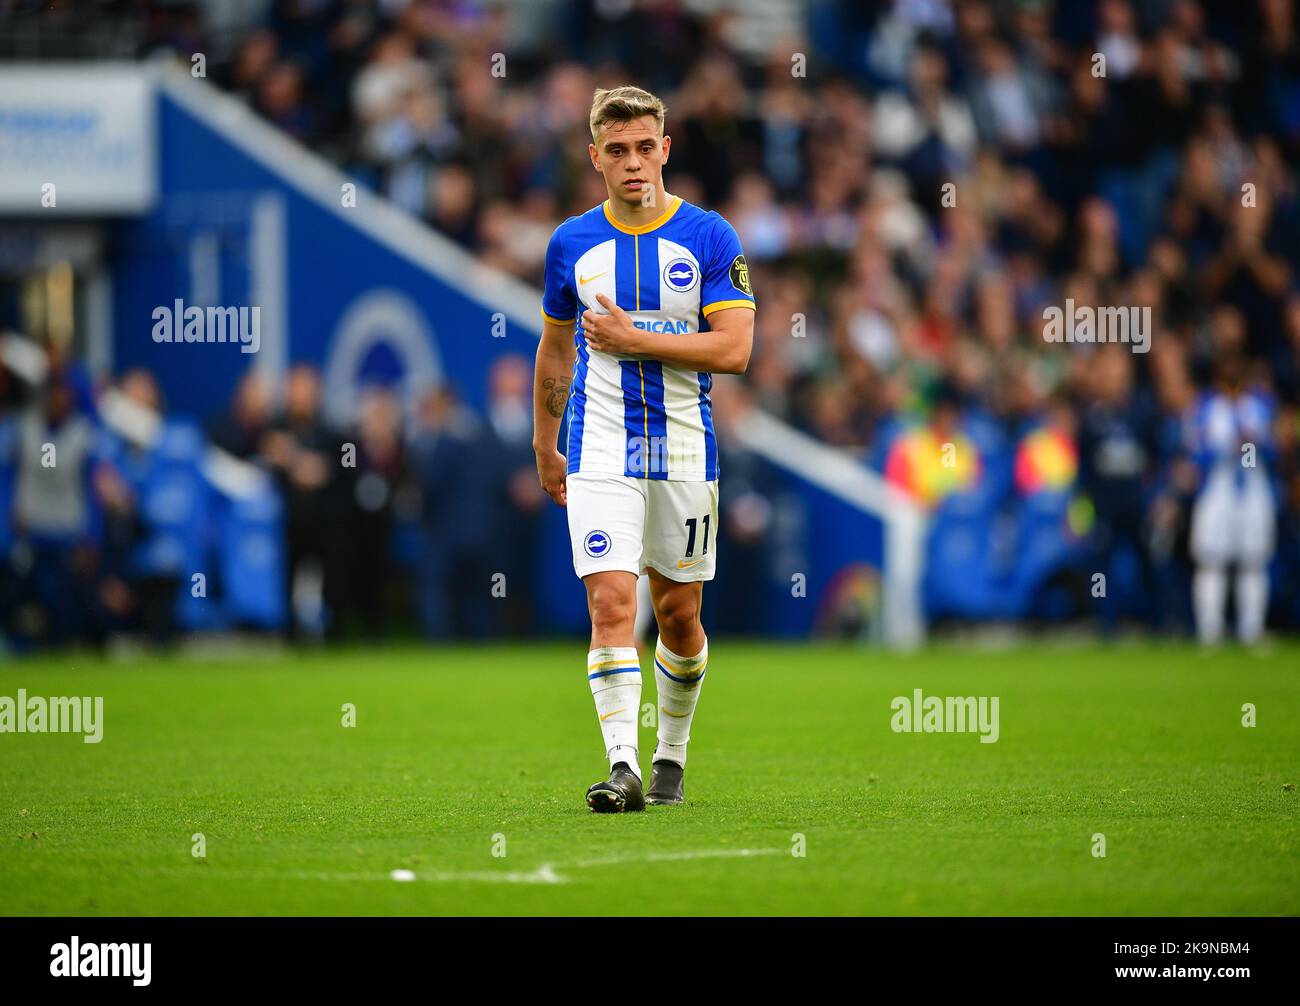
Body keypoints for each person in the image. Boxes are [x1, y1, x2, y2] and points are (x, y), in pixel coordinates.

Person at [532, 86, 755, 812]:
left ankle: (672, 756)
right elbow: (555, 347)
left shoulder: (710, 236)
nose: (633, 163)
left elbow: (736, 348)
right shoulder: (571, 244)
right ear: (595, 158)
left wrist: (636, 339)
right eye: (617, 151)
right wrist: (544, 440)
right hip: (598, 448)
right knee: (609, 601)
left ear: (666, 148)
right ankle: (622, 766)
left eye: (644, 148)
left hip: (686, 452)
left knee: (681, 613)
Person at [1188, 352, 1277, 645]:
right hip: (1219, 483)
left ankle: (1251, 631)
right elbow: (1196, 449)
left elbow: (1275, 448)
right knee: (1211, 557)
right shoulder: (1206, 406)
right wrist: (1227, 446)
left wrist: (1255, 444)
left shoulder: (1260, 404)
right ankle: (1209, 632)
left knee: (1253, 559)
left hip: (1252, 483)